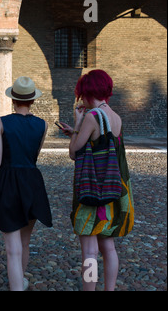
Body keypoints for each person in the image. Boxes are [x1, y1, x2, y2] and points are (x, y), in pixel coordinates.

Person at [59, 69, 134, 291]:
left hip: (92, 190)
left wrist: (77, 124)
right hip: (111, 190)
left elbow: (74, 152)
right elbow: (103, 143)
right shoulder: (116, 117)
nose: (81, 98)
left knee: (90, 252)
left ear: (88, 91)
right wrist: (77, 130)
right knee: (108, 247)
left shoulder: (91, 117)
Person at [0, 77, 53, 291]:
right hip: (32, 182)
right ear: (33, 101)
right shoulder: (42, 124)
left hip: (8, 182)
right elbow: (33, 155)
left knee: (12, 249)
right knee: (25, 242)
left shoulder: (2, 122)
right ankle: (20, 281)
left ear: (13, 99)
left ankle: (16, 287)